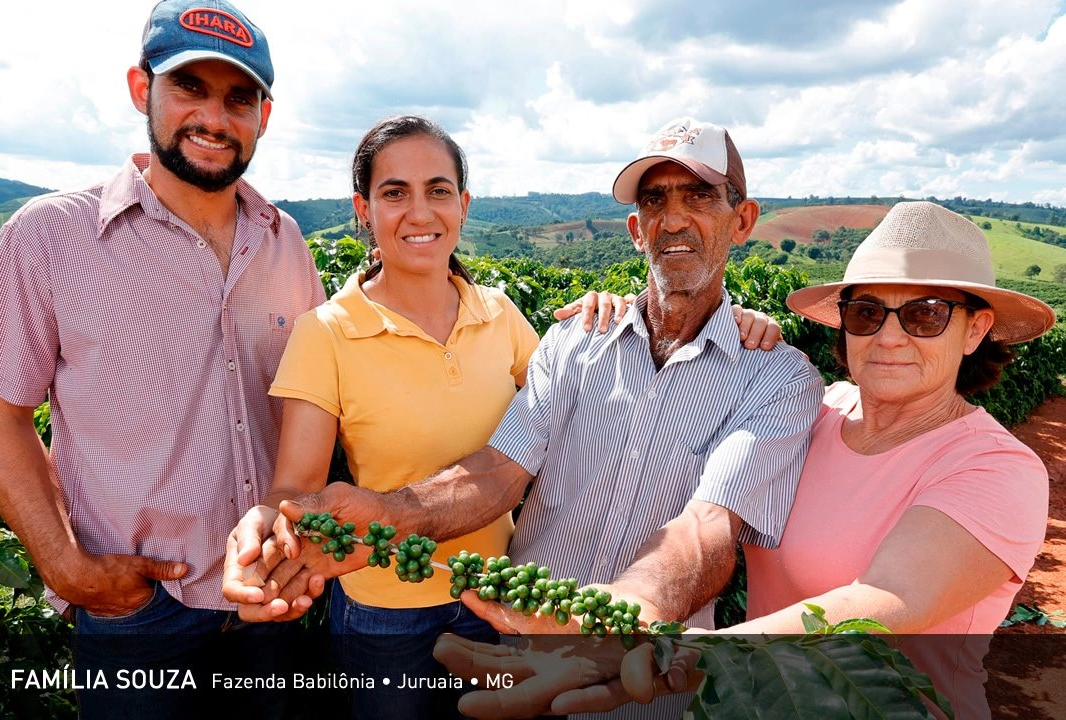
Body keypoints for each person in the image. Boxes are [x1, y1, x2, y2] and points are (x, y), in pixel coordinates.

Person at [229, 116, 823, 718]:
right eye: (654, 200)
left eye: (699, 196)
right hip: (507, 645)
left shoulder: (776, 377)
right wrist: (389, 513)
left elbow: (708, 528)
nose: (673, 218)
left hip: (641, 681)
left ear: (743, 220)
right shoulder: (574, 342)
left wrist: (621, 614)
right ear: (635, 230)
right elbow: (501, 469)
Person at [437, 201, 1057, 720]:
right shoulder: (816, 411)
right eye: (867, 312)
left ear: (975, 330)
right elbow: (711, 502)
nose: (888, 336)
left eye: (925, 315)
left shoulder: (995, 469)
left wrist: (673, 652)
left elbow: (887, 602)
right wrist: (683, 318)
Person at [0, 1, 325, 716]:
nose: (215, 116)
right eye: (189, 89)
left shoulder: (285, 239)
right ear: (143, 92)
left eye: (239, 98)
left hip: (272, 604)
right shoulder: (48, 237)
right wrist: (68, 567)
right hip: (139, 615)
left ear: (264, 115)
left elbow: (319, 398)